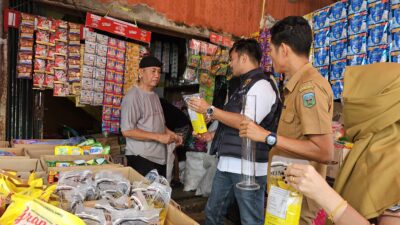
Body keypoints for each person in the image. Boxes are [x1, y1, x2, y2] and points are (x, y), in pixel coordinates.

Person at [239, 16, 334, 225]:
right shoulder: (295, 87)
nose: (270, 56)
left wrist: (268, 137)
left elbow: (325, 151)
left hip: (296, 204)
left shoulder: (310, 88)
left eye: (271, 50)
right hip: (286, 194)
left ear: (283, 49)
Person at [188, 38, 281, 225]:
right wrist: (210, 136)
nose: (230, 64)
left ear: (244, 58)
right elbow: (232, 123)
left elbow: (245, 123)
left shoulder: (262, 85)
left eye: (232, 59)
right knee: (213, 213)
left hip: (248, 167)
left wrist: (210, 110)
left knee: (250, 220)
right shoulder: (241, 86)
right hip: (227, 164)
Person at [121, 56, 182, 177]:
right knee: (144, 195)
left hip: (159, 158)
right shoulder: (133, 96)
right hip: (141, 158)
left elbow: (159, 124)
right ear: (141, 72)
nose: (157, 75)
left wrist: (172, 134)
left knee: (159, 195)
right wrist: (159, 137)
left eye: (159, 72)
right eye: (153, 71)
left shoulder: (154, 96)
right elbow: (127, 131)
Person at [159, 97, 191, 187]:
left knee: (172, 150)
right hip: (177, 126)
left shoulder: (160, 106)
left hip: (182, 126)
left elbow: (164, 124)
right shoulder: (162, 103)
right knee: (171, 150)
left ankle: (176, 179)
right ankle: (173, 178)